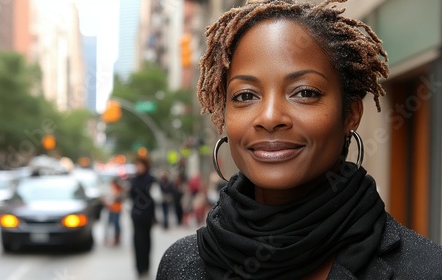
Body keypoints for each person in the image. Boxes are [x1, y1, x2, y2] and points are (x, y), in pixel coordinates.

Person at [157, 0, 442, 279]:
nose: (269, 117)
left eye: (304, 92)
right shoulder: (182, 265)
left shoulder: (425, 269)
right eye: (245, 95)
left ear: (351, 114)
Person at [129, 157, 156, 278]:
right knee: (138, 241)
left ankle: (146, 266)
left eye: (140, 165)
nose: (138, 168)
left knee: (146, 241)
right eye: (137, 165)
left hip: (148, 216)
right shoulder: (133, 180)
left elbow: (156, 196)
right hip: (136, 215)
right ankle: (139, 267)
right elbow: (129, 196)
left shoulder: (151, 179)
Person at [103, 178, 124, 246]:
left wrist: (115, 198)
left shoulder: (119, 189)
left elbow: (121, 198)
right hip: (111, 209)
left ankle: (117, 237)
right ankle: (109, 237)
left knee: (116, 224)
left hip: (117, 209)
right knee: (109, 224)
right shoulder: (111, 188)